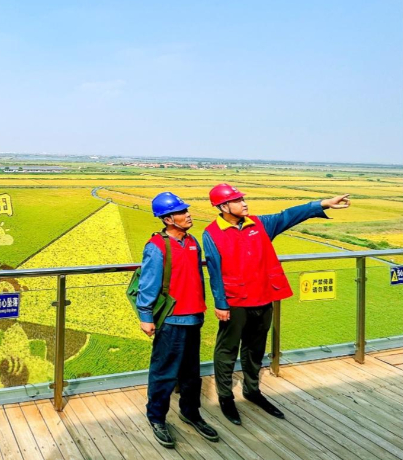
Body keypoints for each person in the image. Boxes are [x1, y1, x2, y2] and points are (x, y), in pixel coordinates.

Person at [203, 183, 350, 425]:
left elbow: (289, 216)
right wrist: (221, 304)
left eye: (242, 199)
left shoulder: (259, 224)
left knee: (255, 347)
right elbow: (215, 271)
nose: (244, 203)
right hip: (234, 301)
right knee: (227, 350)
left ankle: (252, 390)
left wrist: (322, 204)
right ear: (223, 206)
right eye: (238, 200)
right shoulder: (212, 233)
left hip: (263, 296)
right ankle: (226, 397)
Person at [136, 192, 219, 449]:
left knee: (191, 374)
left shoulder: (192, 241)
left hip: (194, 316)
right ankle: (157, 418)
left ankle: (190, 412)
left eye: (186, 210)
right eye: (182, 212)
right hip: (171, 320)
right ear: (168, 219)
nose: (188, 214)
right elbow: (147, 285)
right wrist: (145, 316)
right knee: (163, 372)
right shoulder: (157, 246)